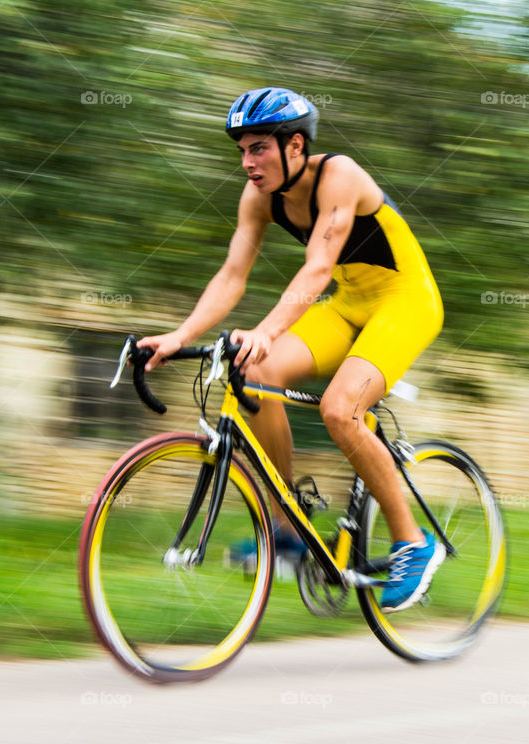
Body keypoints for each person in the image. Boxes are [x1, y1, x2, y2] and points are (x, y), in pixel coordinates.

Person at [138, 87, 445, 612]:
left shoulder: (339, 175)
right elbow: (232, 276)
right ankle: (287, 529)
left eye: (257, 148)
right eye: (241, 150)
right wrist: (180, 335)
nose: (247, 162)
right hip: (350, 305)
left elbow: (318, 268)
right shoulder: (259, 198)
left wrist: (268, 327)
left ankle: (414, 542)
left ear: (295, 145)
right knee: (256, 368)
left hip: (405, 302)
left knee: (338, 409)